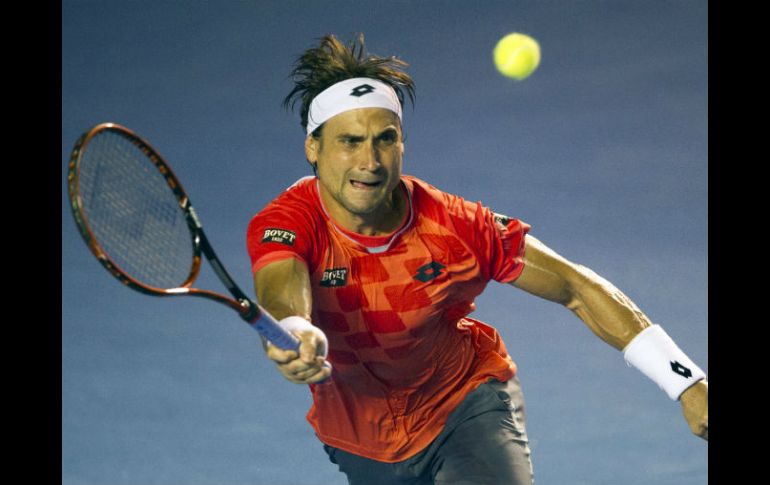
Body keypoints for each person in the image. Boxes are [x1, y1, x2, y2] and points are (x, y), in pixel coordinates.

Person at [246, 34, 707, 485]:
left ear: (401, 144)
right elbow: (282, 289)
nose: (370, 161)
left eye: (384, 139)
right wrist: (295, 328)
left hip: (463, 406)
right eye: (349, 141)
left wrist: (686, 382)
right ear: (313, 147)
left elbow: (576, 287)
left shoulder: (455, 225)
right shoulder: (289, 222)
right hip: (359, 437)